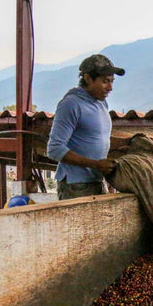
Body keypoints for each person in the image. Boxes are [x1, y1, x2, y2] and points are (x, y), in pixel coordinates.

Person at [47, 54, 125, 200]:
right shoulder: (71, 104)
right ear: (88, 78)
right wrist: (95, 164)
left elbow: (96, 138)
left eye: (112, 82)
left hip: (96, 180)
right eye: (105, 82)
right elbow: (54, 149)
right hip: (76, 185)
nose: (110, 87)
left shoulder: (102, 103)